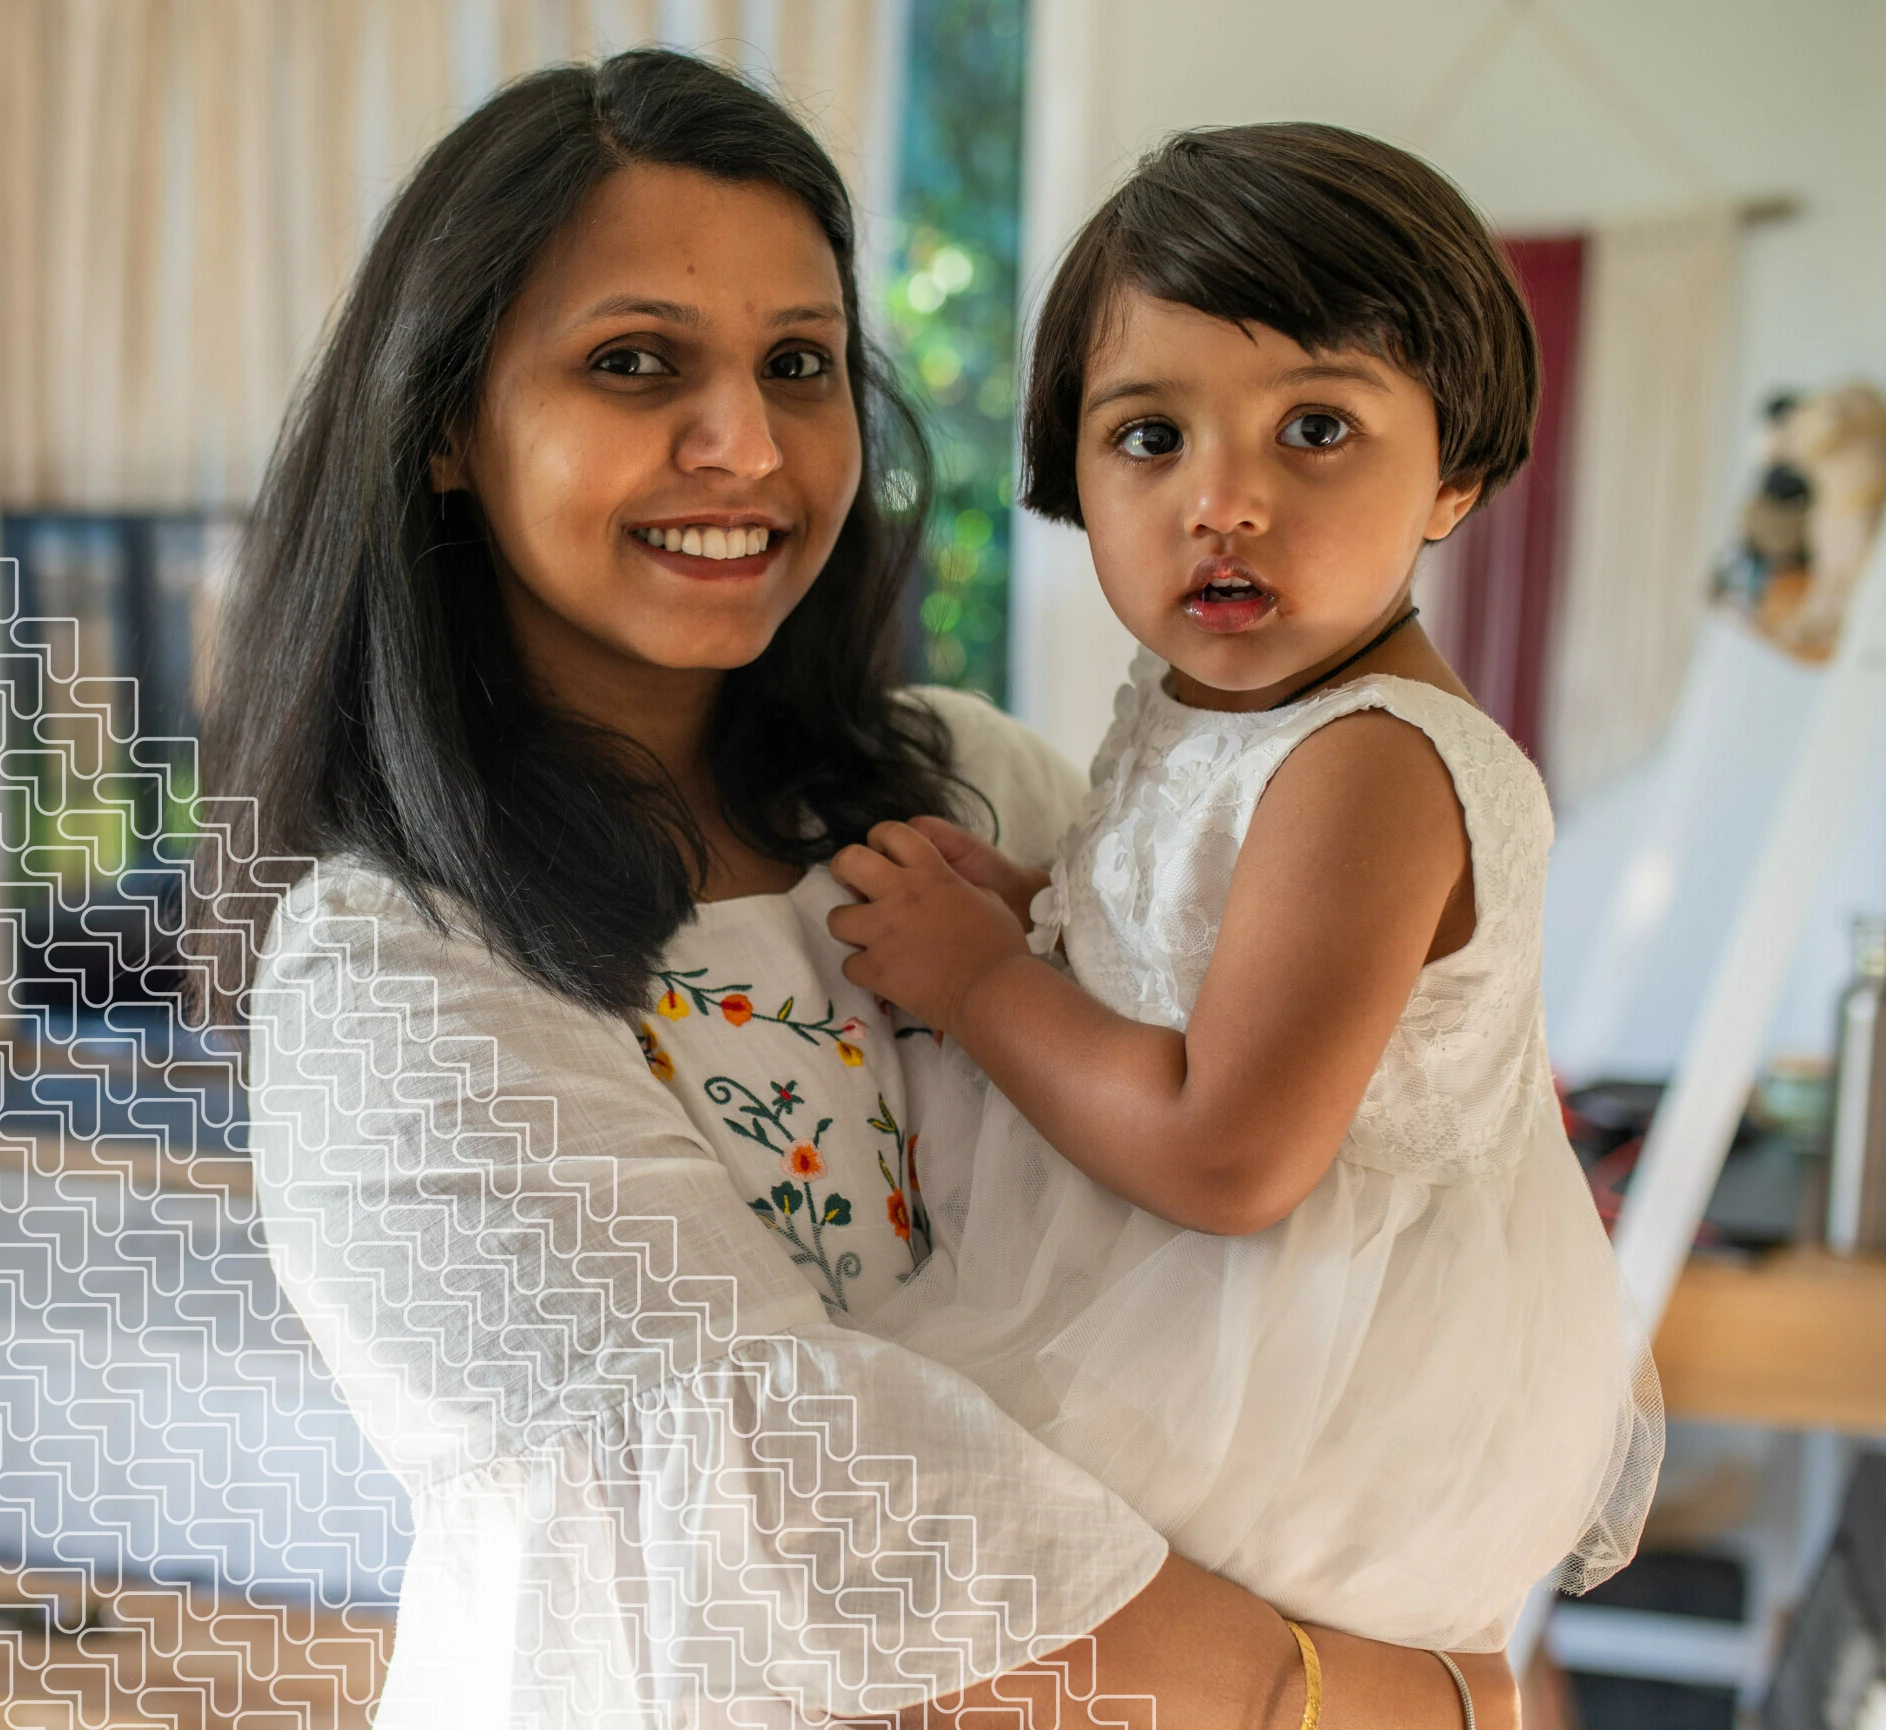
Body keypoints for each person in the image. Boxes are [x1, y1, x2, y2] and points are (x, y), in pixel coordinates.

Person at [208, 51, 1512, 1728]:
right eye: (634, 362)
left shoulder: (978, 784)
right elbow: (815, 1517)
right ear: (449, 425)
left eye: (800, 363)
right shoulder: (388, 974)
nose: (744, 443)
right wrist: (1400, 1699)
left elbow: (1358, 1182)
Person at [822, 124, 1661, 1655]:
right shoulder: (1208, 699)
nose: (1224, 500)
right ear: (1069, 468)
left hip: (1300, 1388)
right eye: (1150, 437)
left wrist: (977, 981)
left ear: (1453, 474)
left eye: (1317, 430)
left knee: (885, 1546)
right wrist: (1030, 913)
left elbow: (1229, 1155)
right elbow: (1188, 959)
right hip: (1201, 1309)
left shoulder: (1372, 764)